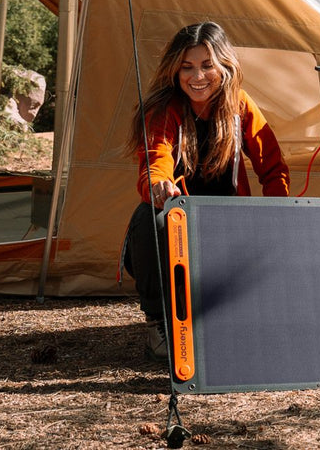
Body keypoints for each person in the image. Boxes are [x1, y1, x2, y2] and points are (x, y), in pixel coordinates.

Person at [121, 21, 290, 359]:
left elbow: (273, 167)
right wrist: (158, 186)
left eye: (206, 65)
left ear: (224, 66)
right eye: (187, 67)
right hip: (180, 228)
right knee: (149, 217)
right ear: (175, 70)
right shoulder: (162, 109)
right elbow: (154, 162)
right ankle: (157, 322)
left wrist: (277, 213)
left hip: (229, 226)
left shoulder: (240, 105)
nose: (197, 76)